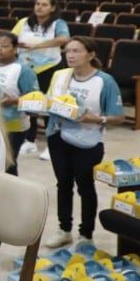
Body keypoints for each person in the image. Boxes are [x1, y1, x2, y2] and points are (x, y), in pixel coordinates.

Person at [42, 37, 125, 248]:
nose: (70, 55)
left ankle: (86, 234)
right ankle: (64, 229)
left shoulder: (104, 81)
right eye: (67, 51)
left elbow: (118, 116)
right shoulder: (60, 76)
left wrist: (98, 119)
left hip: (88, 141)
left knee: (85, 187)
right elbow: (49, 102)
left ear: (91, 54)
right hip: (58, 136)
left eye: (76, 51)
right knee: (63, 184)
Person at [14, 0, 70, 158]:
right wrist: (17, 43)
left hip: (49, 67)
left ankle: (52, 144)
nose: (39, 7)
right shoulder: (24, 22)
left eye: (44, 5)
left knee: (48, 105)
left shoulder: (58, 24)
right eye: (37, 4)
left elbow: (63, 39)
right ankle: (29, 140)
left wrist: (37, 46)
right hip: (27, 68)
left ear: (52, 8)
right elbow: (11, 37)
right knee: (29, 103)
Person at [0, 31, 40, 175]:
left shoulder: (23, 70)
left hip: (13, 126)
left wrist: (14, 101)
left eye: (4, 46)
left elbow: (36, 101)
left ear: (15, 49)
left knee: (7, 163)